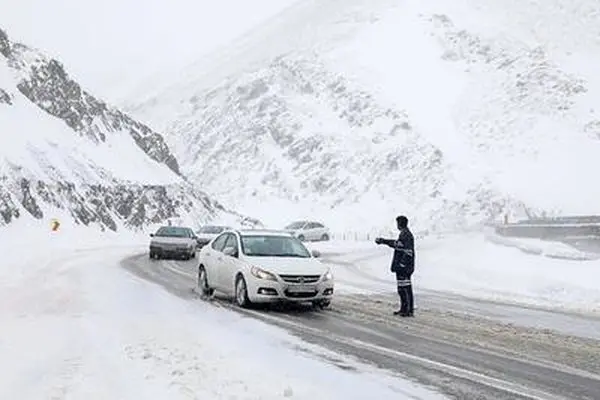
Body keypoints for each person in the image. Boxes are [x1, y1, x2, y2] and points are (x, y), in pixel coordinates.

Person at [375, 215, 415, 317]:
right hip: (403, 267)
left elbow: (408, 251)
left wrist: (402, 264)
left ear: (400, 224)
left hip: (404, 268)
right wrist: (384, 241)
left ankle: (408, 310)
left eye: (398, 223)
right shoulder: (404, 234)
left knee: (405, 289)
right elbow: (397, 244)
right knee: (402, 288)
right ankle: (404, 308)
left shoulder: (406, 235)